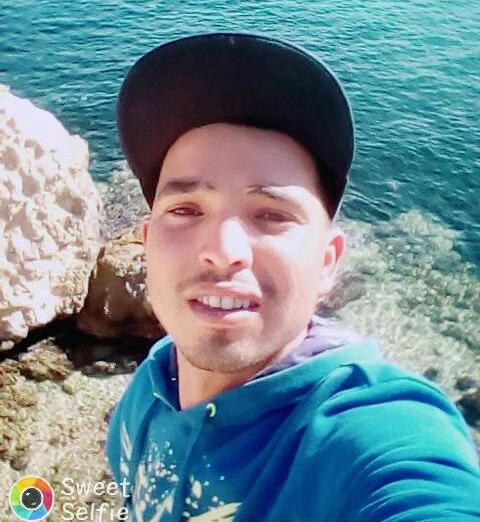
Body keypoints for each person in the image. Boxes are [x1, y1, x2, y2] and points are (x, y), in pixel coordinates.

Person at [106, 33, 480, 521]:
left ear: (327, 263)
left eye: (272, 214)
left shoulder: (362, 434)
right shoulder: (152, 385)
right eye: (185, 209)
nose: (223, 252)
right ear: (147, 242)